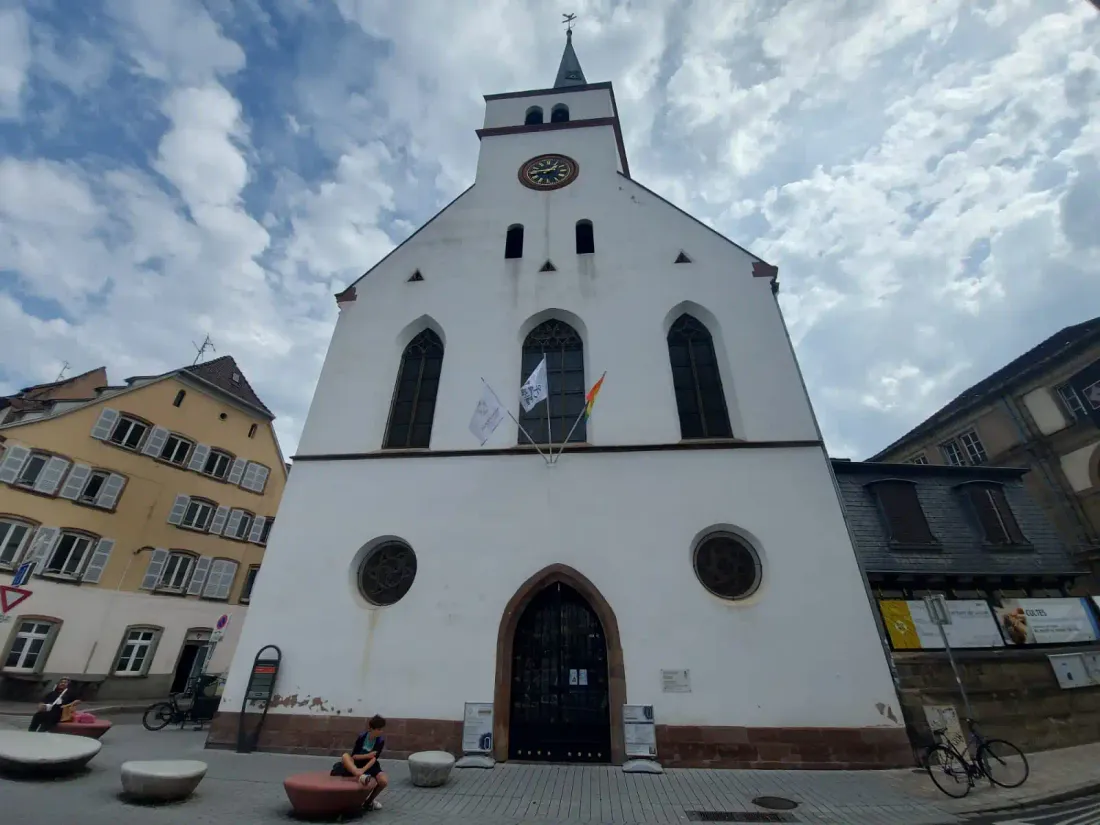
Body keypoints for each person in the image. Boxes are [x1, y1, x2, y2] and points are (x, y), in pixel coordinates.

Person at [331, 715, 388, 811]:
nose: (381, 731)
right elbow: (354, 756)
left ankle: (369, 802)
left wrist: (363, 770)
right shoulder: (362, 737)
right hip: (357, 763)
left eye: (382, 729)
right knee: (345, 756)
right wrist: (368, 755)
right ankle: (359, 775)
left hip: (370, 765)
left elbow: (374, 759)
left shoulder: (380, 741)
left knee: (383, 781)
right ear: (372, 729)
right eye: (379, 729)